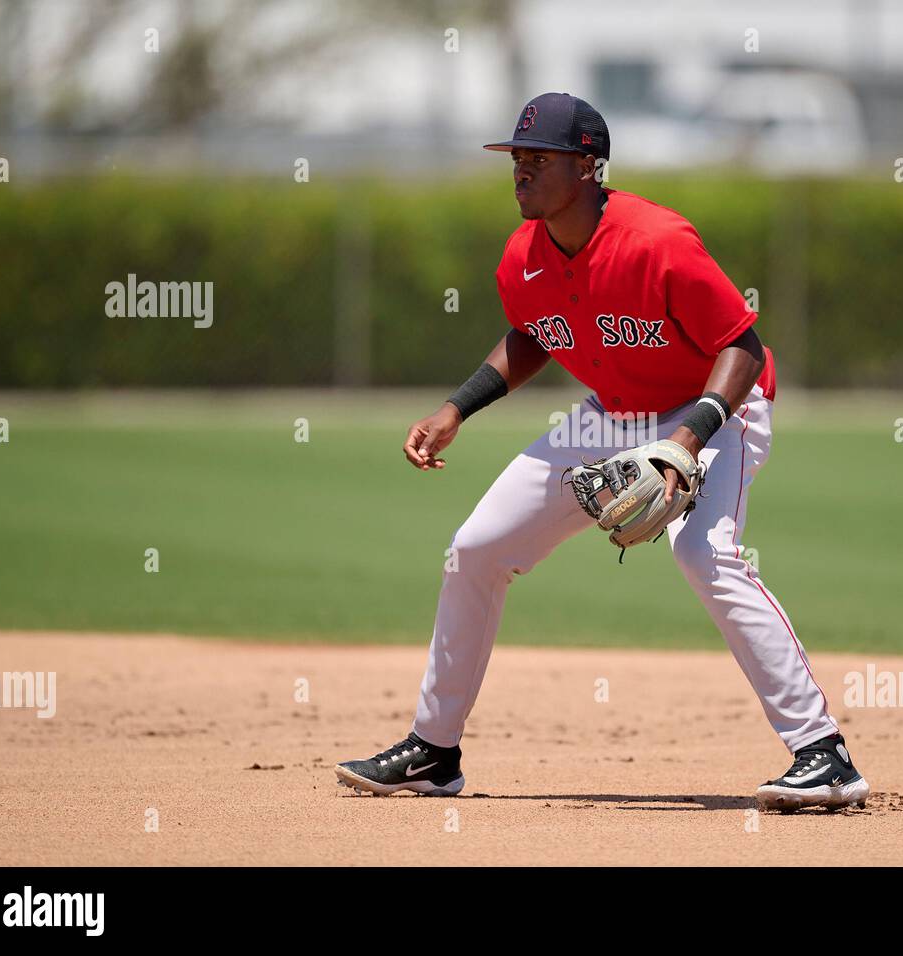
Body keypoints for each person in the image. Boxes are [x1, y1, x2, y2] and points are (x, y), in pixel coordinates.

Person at [335, 92, 868, 812]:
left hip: (717, 407)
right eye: (516, 158)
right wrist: (457, 407)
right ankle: (433, 751)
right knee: (476, 548)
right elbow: (531, 335)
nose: (521, 171)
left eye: (539, 159)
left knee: (705, 555)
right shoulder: (523, 255)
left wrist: (686, 442)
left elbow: (739, 348)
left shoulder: (658, 241)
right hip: (608, 418)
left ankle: (824, 755)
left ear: (588, 166)